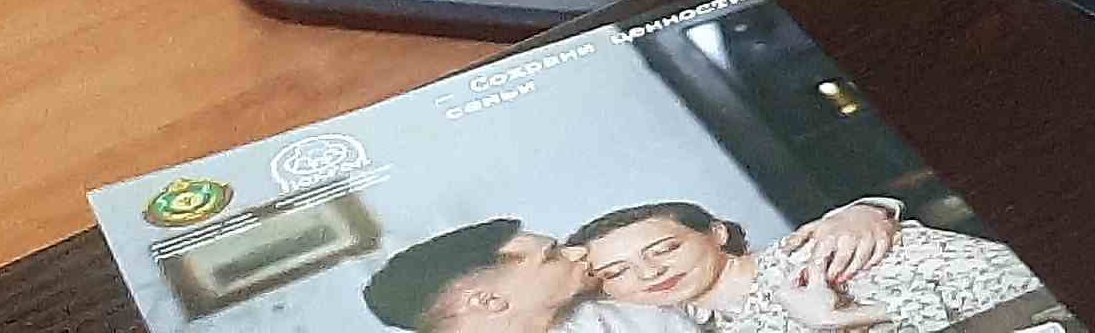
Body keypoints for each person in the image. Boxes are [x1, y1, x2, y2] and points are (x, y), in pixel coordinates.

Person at [364, 211, 907, 333]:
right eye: (551, 255)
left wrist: (859, 211)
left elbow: (734, 269)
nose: (577, 255)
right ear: (487, 302)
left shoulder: (615, 292)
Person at [568, 205, 1042, 333]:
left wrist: (846, 317)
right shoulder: (715, 327)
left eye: (664, 248)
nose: (649, 273)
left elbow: (1021, 289)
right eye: (617, 272)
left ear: (716, 233)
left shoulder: (823, 251)